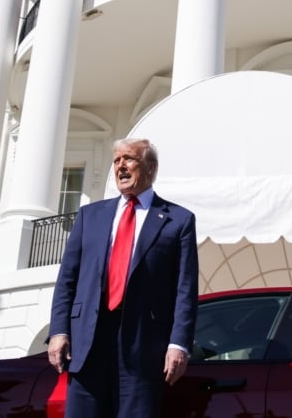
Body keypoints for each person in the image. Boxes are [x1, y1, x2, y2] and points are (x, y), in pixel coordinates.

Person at [48, 138, 198, 418]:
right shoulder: (90, 216)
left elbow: (185, 289)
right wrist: (59, 331)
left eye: (128, 159)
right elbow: (67, 279)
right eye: (116, 160)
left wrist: (178, 344)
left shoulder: (178, 220)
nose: (120, 166)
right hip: (88, 343)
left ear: (150, 168)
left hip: (143, 347)